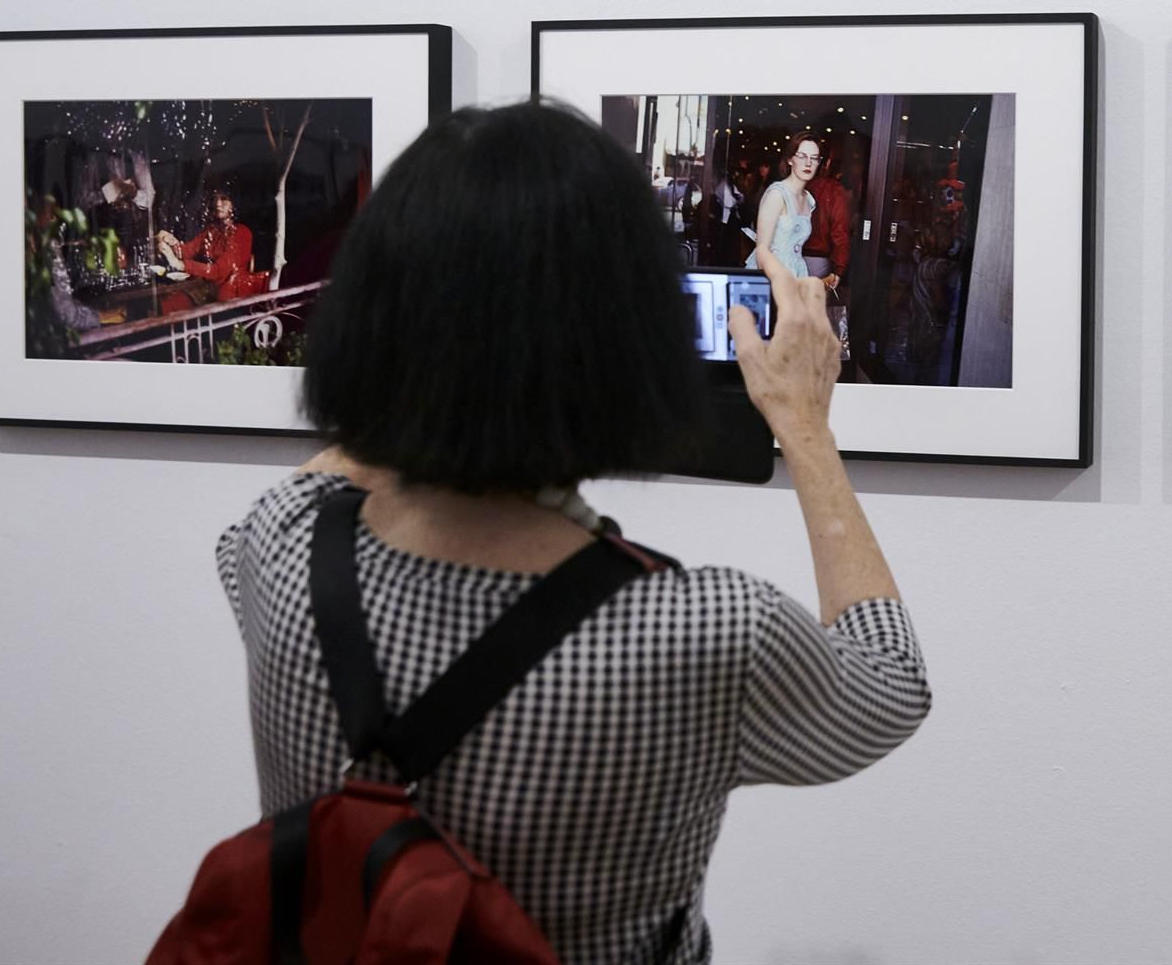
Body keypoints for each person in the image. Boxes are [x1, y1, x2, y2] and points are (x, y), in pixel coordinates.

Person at [216, 102, 929, 962]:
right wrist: (804, 425)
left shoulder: (278, 546)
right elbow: (888, 688)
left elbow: (351, 453)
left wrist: (434, 329)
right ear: (631, 339)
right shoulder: (702, 632)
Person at [155, 185, 267, 302]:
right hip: (207, 290)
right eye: (215, 199)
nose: (218, 204)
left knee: (170, 303)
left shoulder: (242, 233)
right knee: (165, 300)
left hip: (229, 299)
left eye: (224, 199)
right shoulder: (212, 230)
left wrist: (180, 264)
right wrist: (171, 241)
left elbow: (217, 271)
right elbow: (186, 252)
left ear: (234, 203)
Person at [745, 131, 822, 282]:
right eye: (802, 156)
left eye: (814, 158)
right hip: (771, 275)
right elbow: (762, 250)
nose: (808, 163)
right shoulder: (777, 194)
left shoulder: (809, 200)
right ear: (790, 159)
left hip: (797, 272)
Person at [800, 145, 850, 291]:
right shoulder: (834, 190)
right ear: (827, 162)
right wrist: (839, 269)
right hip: (819, 259)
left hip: (790, 256)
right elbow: (840, 232)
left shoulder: (794, 185)